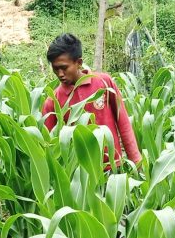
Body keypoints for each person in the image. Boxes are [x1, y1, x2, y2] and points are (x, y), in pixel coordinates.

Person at [41, 34, 142, 168]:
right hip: (79, 178)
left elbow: (122, 121)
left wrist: (136, 160)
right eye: (55, 68)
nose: (60, 74)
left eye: (64, 68)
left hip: (112, 168)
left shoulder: (103, 82)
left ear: (79, 63)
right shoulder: (53, 102)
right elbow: (50, 145)